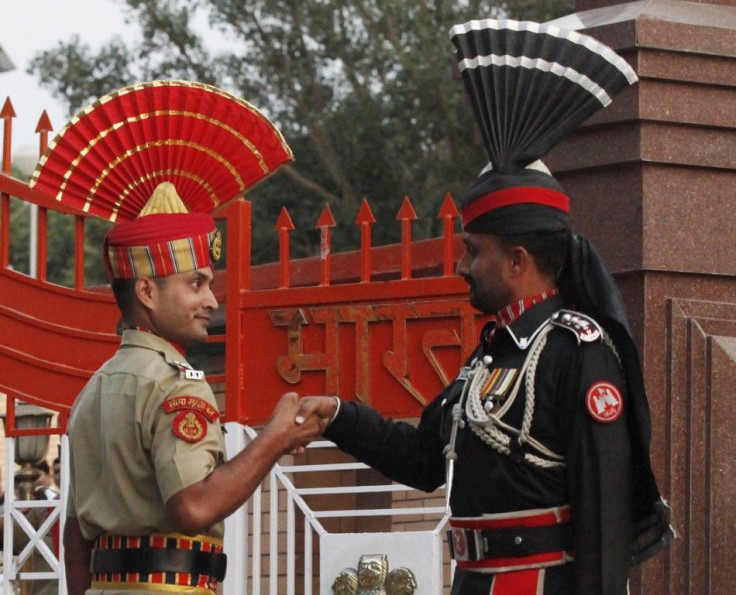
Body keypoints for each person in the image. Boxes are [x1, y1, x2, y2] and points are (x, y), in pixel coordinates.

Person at [303, 19, 673, 595]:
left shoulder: (579, 351)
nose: (459, 267)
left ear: (518, 261)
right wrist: (339, 417)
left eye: (473, 252)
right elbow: (427, 459)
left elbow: (604, 523)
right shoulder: (490, 356)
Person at [30, 81, 328, 594]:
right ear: (146, 290)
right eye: (197, 283)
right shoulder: (175, 385)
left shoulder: (92, 391)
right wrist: (275, 438)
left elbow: (75, 538)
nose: (212, 300)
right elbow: (192, 507)